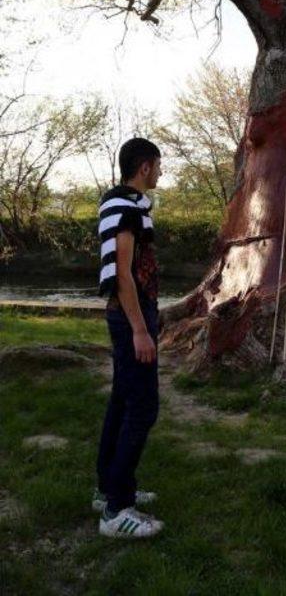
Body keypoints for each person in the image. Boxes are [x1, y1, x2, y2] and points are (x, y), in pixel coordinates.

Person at [94, 137, 164, 539]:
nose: (160, 172)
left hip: (129, 313)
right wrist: (140, 328)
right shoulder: (126, 208)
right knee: (143, 408)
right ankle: (117, 511)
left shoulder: (122, 203)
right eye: (158, 165)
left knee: (123, 400)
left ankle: (110, 488)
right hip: (130, 315)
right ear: (145, 167)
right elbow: (124, 273)